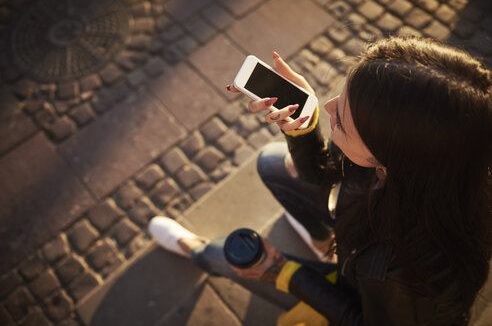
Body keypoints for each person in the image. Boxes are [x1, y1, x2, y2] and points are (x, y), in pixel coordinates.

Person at [149, 36, 492, 325]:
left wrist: (282, 272)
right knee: (271, 163)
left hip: (357, 285)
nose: (327, 106)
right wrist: (302, 125)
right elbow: (322, 171)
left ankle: (194, 250)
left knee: (224, 256)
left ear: (389, 156)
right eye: (341, 98)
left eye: (340, 120)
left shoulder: (412, 276)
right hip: (355, 242)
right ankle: (321, 241)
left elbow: (361, 319)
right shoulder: (433, 162)